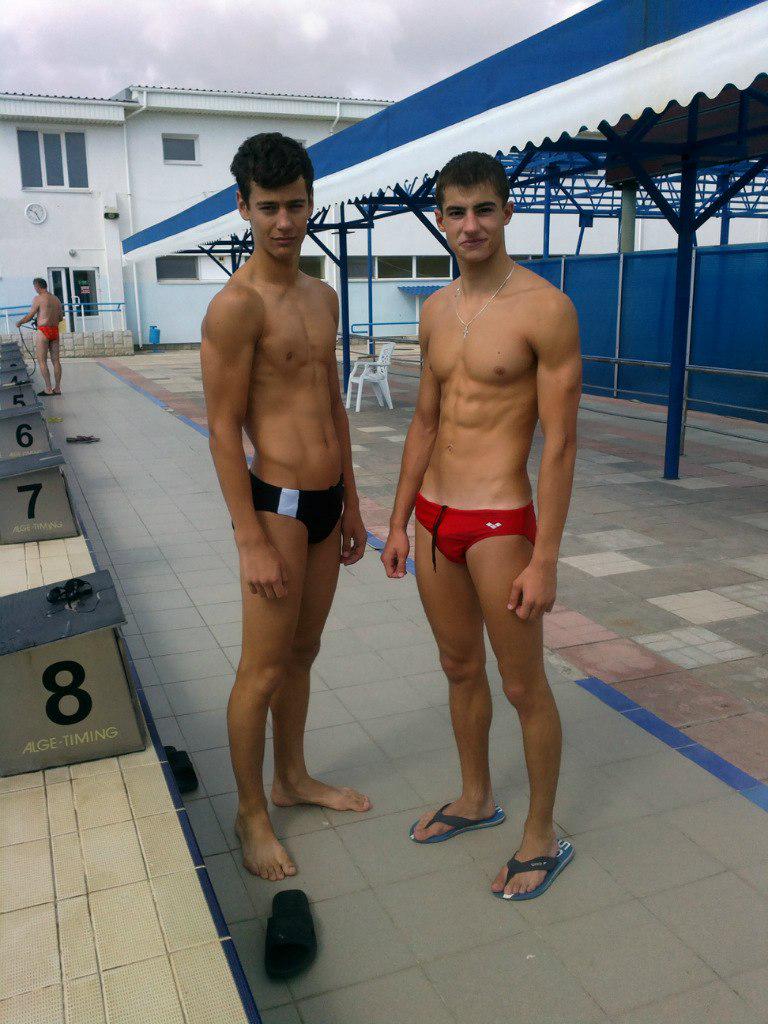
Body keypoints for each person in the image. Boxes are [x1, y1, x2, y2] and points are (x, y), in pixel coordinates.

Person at [381, 152, 581, 900]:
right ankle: (476, 798)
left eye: (484, 210)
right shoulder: (435, 310)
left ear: (506, 212)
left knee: (523, 684)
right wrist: (397, 521)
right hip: (433, 521)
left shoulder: (545, 309)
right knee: (458, 668)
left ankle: (542, 834)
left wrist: (546, 557)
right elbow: (424, 422)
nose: (471, 225)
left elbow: (561, 444)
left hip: (499, 521)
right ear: (441, 219)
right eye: (457, 212)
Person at [200, 133, 371, 882]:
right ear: (243, 206)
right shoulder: (235, 307)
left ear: (310, 203)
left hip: (328, 503)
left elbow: (332, 405)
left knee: (304, 653)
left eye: (295, 205)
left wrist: (353, 504)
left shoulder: (322, 295)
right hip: (275, 506)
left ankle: (292, 778)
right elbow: (221, 429)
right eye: (268, 207)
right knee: (262, 669)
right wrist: (249, 539)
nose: (283, 221)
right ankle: (250, 813)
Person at [16, 277, 63, 396]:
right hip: (54, 330)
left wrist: (20, 322)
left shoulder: (38, 298)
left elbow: (30, 316)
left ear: (37, 286)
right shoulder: (56, 299)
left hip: (43, 331)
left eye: (34, 287)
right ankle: (57, 388)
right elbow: (60, 318)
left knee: (42, 361)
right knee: (56, 361)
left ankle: (48, 389)